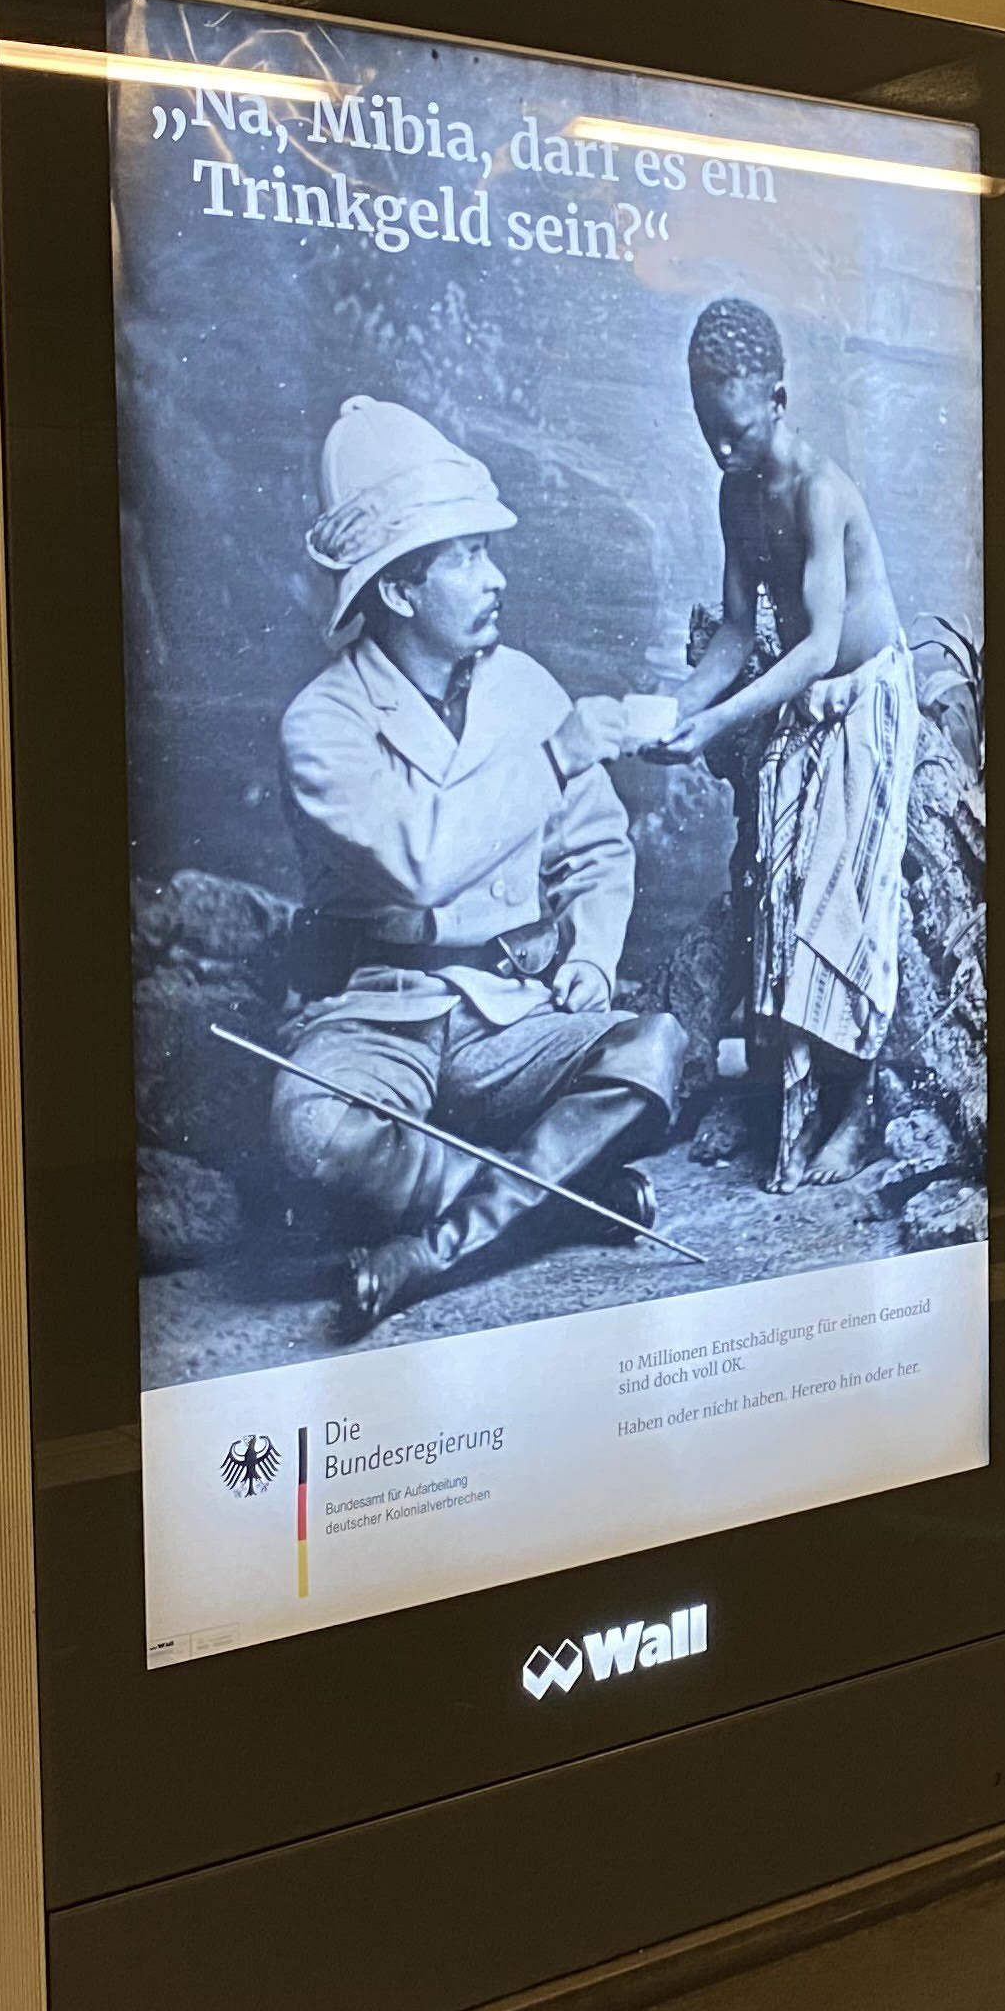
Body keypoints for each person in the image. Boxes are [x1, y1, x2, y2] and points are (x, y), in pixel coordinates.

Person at [267, 394, 689, 1337]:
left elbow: (595, 848)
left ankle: (431, 1251)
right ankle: (568, 1199)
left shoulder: (525, 687)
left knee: (652, 1051)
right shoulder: (323, 726)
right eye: (468, 557)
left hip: (514, 1017)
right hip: (382, 1015)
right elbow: (418, 865)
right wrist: (561, 754)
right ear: (401, 591)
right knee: (314, 1132)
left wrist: (588, 954)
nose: (496, 578)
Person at [663, 298, 917, 1191]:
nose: (722, 451)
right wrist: (675, 709)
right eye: (707, 433)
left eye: (732, 432)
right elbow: (737, 630)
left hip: (862, 700)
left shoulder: (821, 491)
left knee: (841, 896)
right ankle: (781, 1101)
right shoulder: (736, 491)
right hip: (799, 701)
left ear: (776, 397)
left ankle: (856, 1108)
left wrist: (723, 720)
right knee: (773, 886)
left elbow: (817, 644)